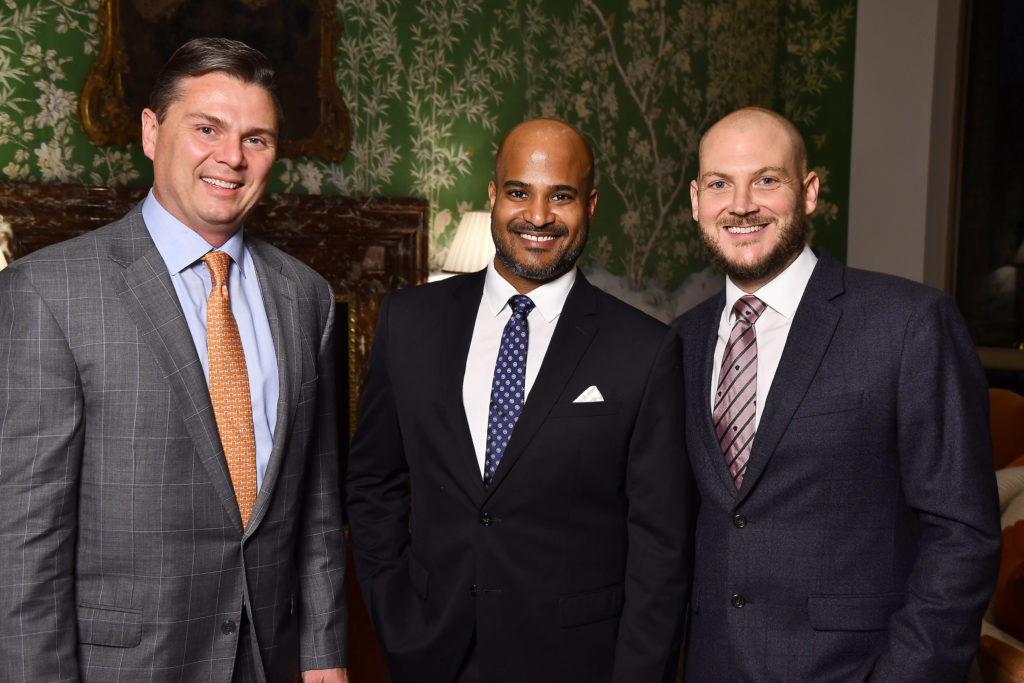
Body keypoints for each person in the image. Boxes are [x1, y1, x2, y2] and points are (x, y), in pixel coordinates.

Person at [0, 38, 348, 682]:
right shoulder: (49, 292)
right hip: (124, 666)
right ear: (151, 132)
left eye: (257, 139)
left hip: (269, 660)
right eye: (207, 129)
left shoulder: (308, 298)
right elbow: (23, 543)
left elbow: (318, 508)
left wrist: (323, 653)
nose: (231, 158)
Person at [345, 118, 693, 683]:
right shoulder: (409, 321)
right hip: (430, 652)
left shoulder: (644, 351)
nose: (537, 216)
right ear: (493, 197)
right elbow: (372, 481)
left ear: (591, 204)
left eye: (561, 195)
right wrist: (393, 605)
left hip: (575, 661)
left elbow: (660, 545)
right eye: (518, 193)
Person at [672, 106, 1001, 681]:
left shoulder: (909, 323)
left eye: (767, 180)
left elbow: (962, 535)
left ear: (809, 192)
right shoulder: (680, 340)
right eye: (721, 183)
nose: (741, 203)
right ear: (696, 200)